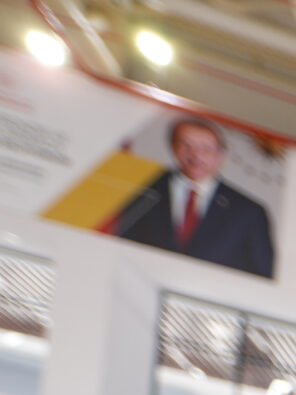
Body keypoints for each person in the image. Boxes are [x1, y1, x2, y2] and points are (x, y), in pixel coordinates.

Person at [112, 117, 278, 279]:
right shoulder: (141, 191)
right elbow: (118, 250)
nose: (195, 155)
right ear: (173, 147)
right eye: (186, 145)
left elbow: (262, 277)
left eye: (205, 149)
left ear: (220, 155)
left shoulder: (249, 212)